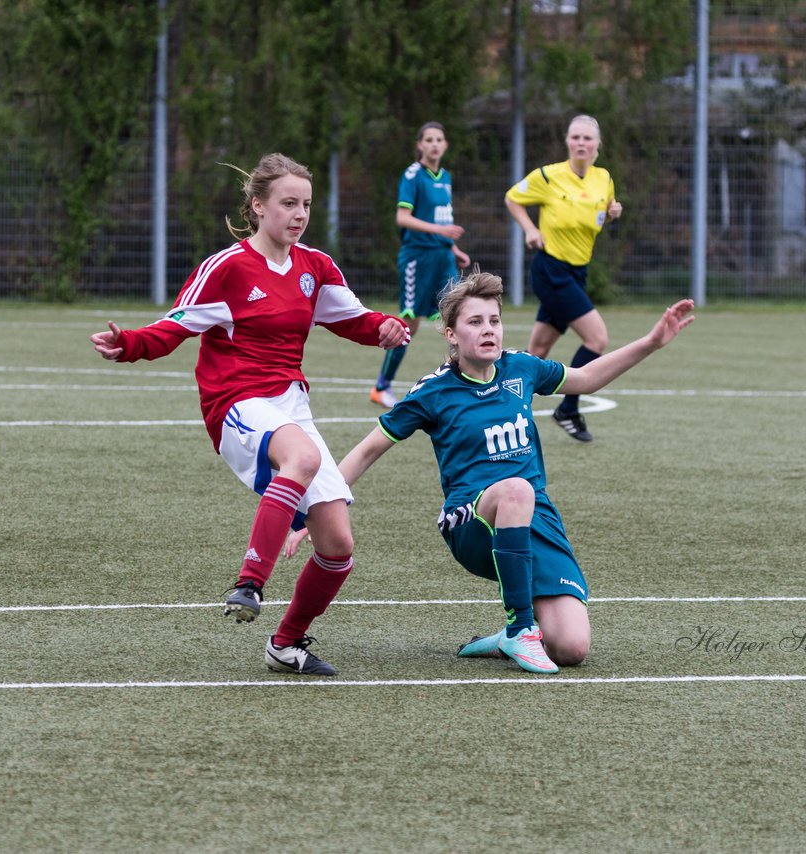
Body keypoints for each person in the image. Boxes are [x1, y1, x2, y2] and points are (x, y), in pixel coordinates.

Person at [89, 153, 408, 677]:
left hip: (290, 405)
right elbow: (175, 326)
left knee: (337, 546)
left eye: (305, 203)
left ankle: (286, 645)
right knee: (301, 457)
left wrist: (385, 328)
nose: (298, 213)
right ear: (258, 207)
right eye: (288, 203)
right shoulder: (228, 268)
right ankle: (249, 582)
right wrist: (130, 344)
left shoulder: (315, 267)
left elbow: (354, 318)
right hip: (236, 401)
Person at [289, 270, 694, 674]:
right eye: (475, 322)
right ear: (450, 334)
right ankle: (520, 629)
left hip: (536, 518)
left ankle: (503, 641)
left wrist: (652, 342)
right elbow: (366, 451)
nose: (489, 330)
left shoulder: (522, 369)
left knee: (572, 647)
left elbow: (586, 379)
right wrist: (317, 507)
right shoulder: (434, 391)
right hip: (469, 522)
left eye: (494, 321)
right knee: (517, 489)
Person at [505, 114, 622, 443]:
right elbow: (512, 198)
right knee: (597, 339)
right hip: (551, 269)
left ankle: (509, 409)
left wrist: (614, 212)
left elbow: (604, 210)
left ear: (598, 145)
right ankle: (568, 409)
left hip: (577, 272)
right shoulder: (549, 175)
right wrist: (530, 229)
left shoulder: (604, 179)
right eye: (575, 137)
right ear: (567, 142)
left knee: (537, 350)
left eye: (587, 138)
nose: (581, 143)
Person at [371, 121, 471, 409]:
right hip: (417, 259)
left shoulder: (446, 177)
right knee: (409, 325)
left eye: (439, 139)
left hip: (443, 258)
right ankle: (382, 386)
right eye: (429, 139)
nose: (435, 144)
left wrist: (453, 247)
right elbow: (403, 218)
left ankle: (464, 383)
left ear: (446, 145)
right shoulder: (413, 175)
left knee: (458, 313)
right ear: (420, 145)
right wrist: (443, 233)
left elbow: (441, 219)